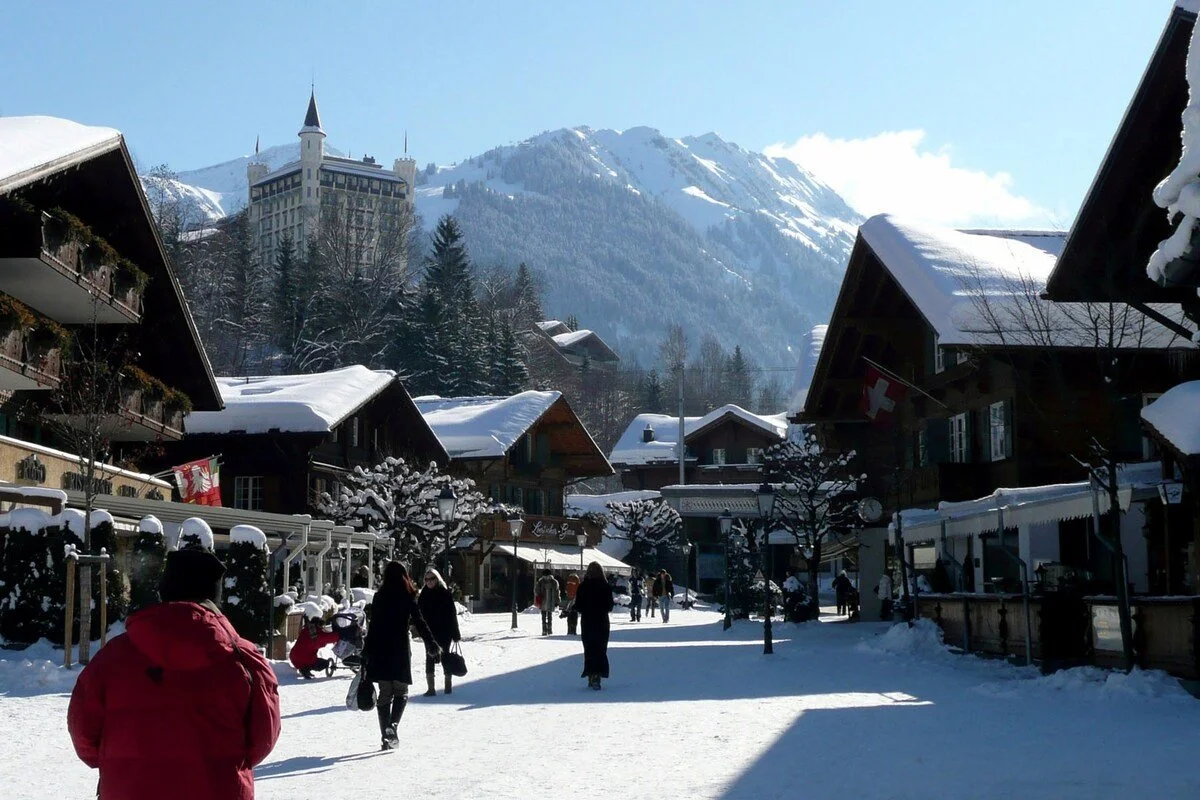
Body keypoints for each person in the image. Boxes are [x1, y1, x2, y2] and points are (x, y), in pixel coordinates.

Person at [68, 545, 280, 800]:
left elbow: (84, 732)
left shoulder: (112, 656)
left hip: (129, 789)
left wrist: (118, 764)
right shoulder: (245, 659)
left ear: (165, 590)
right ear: (213, 596)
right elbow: (262, 739)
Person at [363, 561, 441, 751]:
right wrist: (431, 643)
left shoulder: (380, 597)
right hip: (399, 649)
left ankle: (385, 737)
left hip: (381, 649)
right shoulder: (408, 596)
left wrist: (366, 651)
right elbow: (420, 622)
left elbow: (372, 627)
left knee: (384, 693)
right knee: (401, 692)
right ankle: (393, 725)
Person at [417, 567, 461, 697]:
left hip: (444, 631)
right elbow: (418, 613)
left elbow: (452, 614)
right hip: (429, 632)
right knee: (429, 657)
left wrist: (455, 633)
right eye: (427, 579)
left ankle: (448, 686)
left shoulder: (444, 593)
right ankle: (431, 688)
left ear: (437, 579)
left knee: (445, 657)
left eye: (432, 578)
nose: (429, 581)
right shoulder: (423, 594)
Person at [573, 562, 614, 689]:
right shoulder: (605, 586)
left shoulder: (583, 586)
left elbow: (578, 605)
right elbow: (610, 606)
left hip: (587, 620)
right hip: (602, 620)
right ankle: (598, 674)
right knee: (601, 648)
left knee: (589, 648)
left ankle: (591, 674)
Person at [290, 613, 340, 678]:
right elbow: (328, 638)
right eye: (322, 626)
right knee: (325, 663)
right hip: (304, 658)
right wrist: (339, 635)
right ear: (318, 625)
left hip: (294, 657)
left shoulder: (306, 630)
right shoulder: (315, 634)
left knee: (309, 658)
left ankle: (304, 669)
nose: (322, 628)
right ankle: (305, 669)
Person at [537, 569, 561, 636]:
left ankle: (544, 630)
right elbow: (557, 592)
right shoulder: (554, 582)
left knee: (543, 616)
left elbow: (536, 591)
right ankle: (549, 629)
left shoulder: (541, 581)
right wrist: (557, 601)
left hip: (543, 601)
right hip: (551, 601)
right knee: (549, 616)